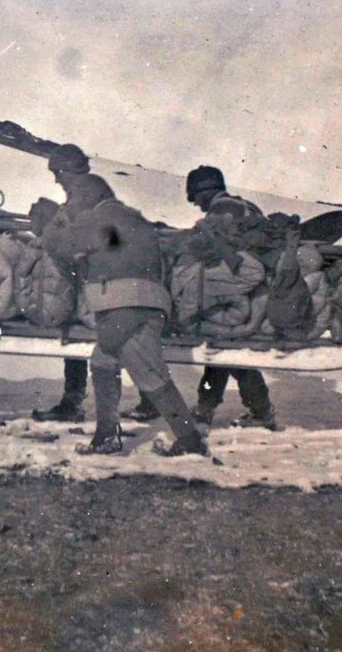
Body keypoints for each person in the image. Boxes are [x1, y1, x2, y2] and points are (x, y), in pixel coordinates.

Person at [40, 145, 207, 456]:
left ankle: (190, 440)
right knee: (103, 363)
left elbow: (61, 246)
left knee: (150, 375)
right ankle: (106, 436)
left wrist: (48, 223)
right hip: (142, 303)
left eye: (71, 194)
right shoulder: (132, 218)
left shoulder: (98, 219)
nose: (67, 196)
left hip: (126, 305)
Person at [183, 165, 281, 430]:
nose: (196, 204)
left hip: (244, 294)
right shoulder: (245, 206)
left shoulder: (221, 210)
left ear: (204, 191)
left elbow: (212, 252)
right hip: (257, 292)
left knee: (223, 350)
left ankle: (212, 410)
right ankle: (254, 411)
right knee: (226, 352)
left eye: (195, 197)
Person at [29, 144, 101, 423]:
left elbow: (70, 242)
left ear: (68, 171)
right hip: (93, 285)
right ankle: (73, 402)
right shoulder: (89, 194)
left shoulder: (83, 199)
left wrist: (47, 229)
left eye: (58, 173)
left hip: (96, 286)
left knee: (105, 347)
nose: (57, 180)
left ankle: (75, 404)